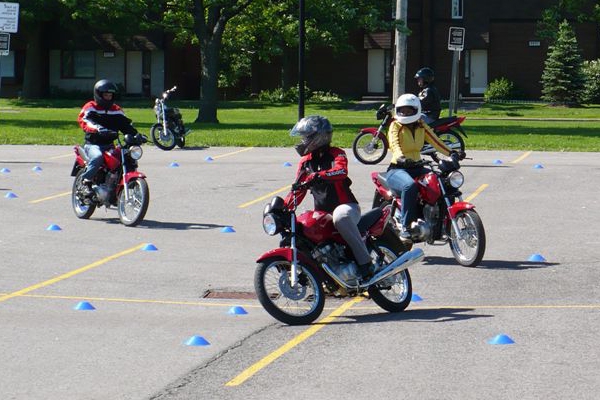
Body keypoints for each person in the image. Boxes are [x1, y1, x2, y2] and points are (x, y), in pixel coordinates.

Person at [284, 115, 377, 281]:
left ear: (318, 137)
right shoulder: (305, 162)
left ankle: (366, 264)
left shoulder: (337, 154)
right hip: (323, 214)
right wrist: (284, 208)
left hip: (346, 206)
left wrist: (320, 176)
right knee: (301, 230)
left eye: (306, 137)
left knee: (340, 218)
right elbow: (298, 188)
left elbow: (341, 171)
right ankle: (316, 279)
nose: (303, 140)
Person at [386, 93, 458, 239]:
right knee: (409, 186)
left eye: (409, 110)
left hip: (417, 167)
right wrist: (400, 157)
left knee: (443, 183)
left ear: (416, 110)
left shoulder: (421, 126)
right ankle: (406, 227)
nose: (405, 113)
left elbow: (436, 141)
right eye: (402, 110)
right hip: (397, 168)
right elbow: (394, 143)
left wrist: (452, 152)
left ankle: (443, 223)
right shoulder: (395, 125)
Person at [77, 79, 138, 195]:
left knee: (125, 157)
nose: (108, 97)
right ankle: (86, 182)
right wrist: (98, 129)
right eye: (106, 95)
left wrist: (136, 135)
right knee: (97, 157)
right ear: (99, 95)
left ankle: (117, 185)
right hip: (93, 145)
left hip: (109, 145)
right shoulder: (91, 107)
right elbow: (84, 120)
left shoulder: (116, 110)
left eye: (110, 95)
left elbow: (125, 125)